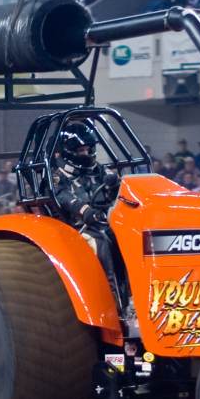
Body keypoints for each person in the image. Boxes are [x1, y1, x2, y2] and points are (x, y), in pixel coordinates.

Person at [52, 120, 122, 303]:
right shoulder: (59, 175)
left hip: (103, 221)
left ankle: (129, 294)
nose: (85, 154)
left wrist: (116, 184)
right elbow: (64, 197)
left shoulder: (96, 169)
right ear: (70, 151)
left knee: (124, 236)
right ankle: (110, 297)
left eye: (88, 149)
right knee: (100, 241)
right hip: (75, 227)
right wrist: (85, 211)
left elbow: (115, 184)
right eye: (80, 150)